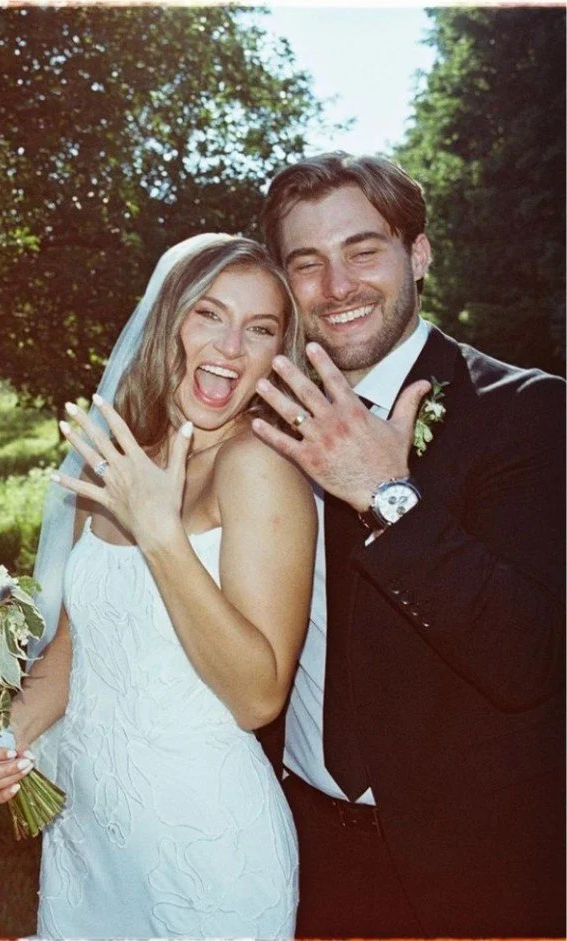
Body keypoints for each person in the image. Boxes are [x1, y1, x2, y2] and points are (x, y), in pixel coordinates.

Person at [251, 152, 566, 938]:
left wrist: (387, 496)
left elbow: (531, 657)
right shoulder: (266, 425)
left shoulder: (529, 413)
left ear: (417, 254)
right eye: (308, 263)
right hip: (297, 850)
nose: (338, 286)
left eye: (363, 250)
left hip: (476, 875)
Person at [0, 234, 317, 940]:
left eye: (259, 328)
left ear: (279, 353)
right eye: (208, 314)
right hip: (88, 832)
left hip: (205, 850)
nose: (229, 346)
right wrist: (8, 735)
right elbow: (76, 643)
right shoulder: (122, 453)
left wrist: (161, 534)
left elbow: (257, 695)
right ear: (168, 324)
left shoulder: (257, 468)